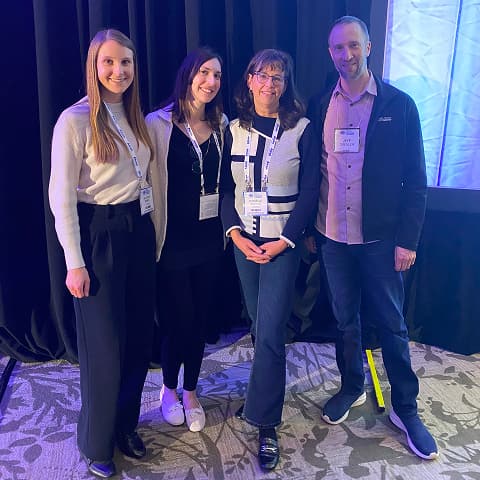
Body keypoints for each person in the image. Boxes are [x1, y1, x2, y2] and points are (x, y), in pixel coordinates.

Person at [306, 16, 439, 460]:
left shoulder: (399, 105)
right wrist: (311, 231)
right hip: (333, 238)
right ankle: (351, 386)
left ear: (368, 47)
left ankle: (406, 407)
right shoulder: (320, 104)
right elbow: (315, 171)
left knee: (392, 325)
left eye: (353, 45)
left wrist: (408, 240)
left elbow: (415, 180)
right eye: (337, 48)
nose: (346, 54)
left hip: (381, 240)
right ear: (330, 53)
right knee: (345, 320)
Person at [49, 29, 158, 478]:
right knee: (104, 348)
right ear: (94, 66)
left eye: (126, 62)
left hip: (137, 230)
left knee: (137, 340)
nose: (118, 71)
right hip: (100, 235)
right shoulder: (74, 120)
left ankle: (125, 425)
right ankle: (96, 442)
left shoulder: (135, 116)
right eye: (109, 62)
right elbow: (60, 196)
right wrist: (74, 262)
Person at [220, 49, 320, 470]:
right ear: (249, 80)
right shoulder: (233, 129)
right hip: (244, 243)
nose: (269, 84)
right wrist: (235, 234)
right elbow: (226, 190)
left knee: (272, 328)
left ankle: (266, 421)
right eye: (262, 75)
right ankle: (261, 395)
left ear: (286, 84)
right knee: (259, 325)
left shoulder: (301, 129)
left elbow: (311, 190)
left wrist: (286, 240)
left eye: (277, 77)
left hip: (282, 245)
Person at [146, 48, 228, 433]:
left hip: (209, 242)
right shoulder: (158, 124)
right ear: (188, 75)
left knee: (199, 321)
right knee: (177, 321)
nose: (210, 82)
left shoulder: (221, 124)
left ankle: (191, 392)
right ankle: (168, 390)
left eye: (217, 75)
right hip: (172, 243)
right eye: (204, 73)